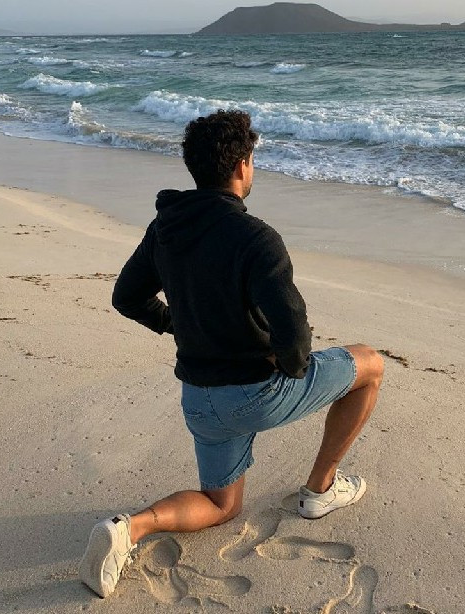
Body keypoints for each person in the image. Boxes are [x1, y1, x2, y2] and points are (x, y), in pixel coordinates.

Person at [79, 110, 384, 599]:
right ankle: (320, 490)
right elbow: (293, 333)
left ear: (195, 167)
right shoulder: (255, 238)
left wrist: (178, 323)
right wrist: (292, 368)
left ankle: (129, 528)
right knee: (369, 364)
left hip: (199, 399)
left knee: (222, 505)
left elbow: (127, 297)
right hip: (254, 394)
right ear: (242, 165)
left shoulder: (166, 227)